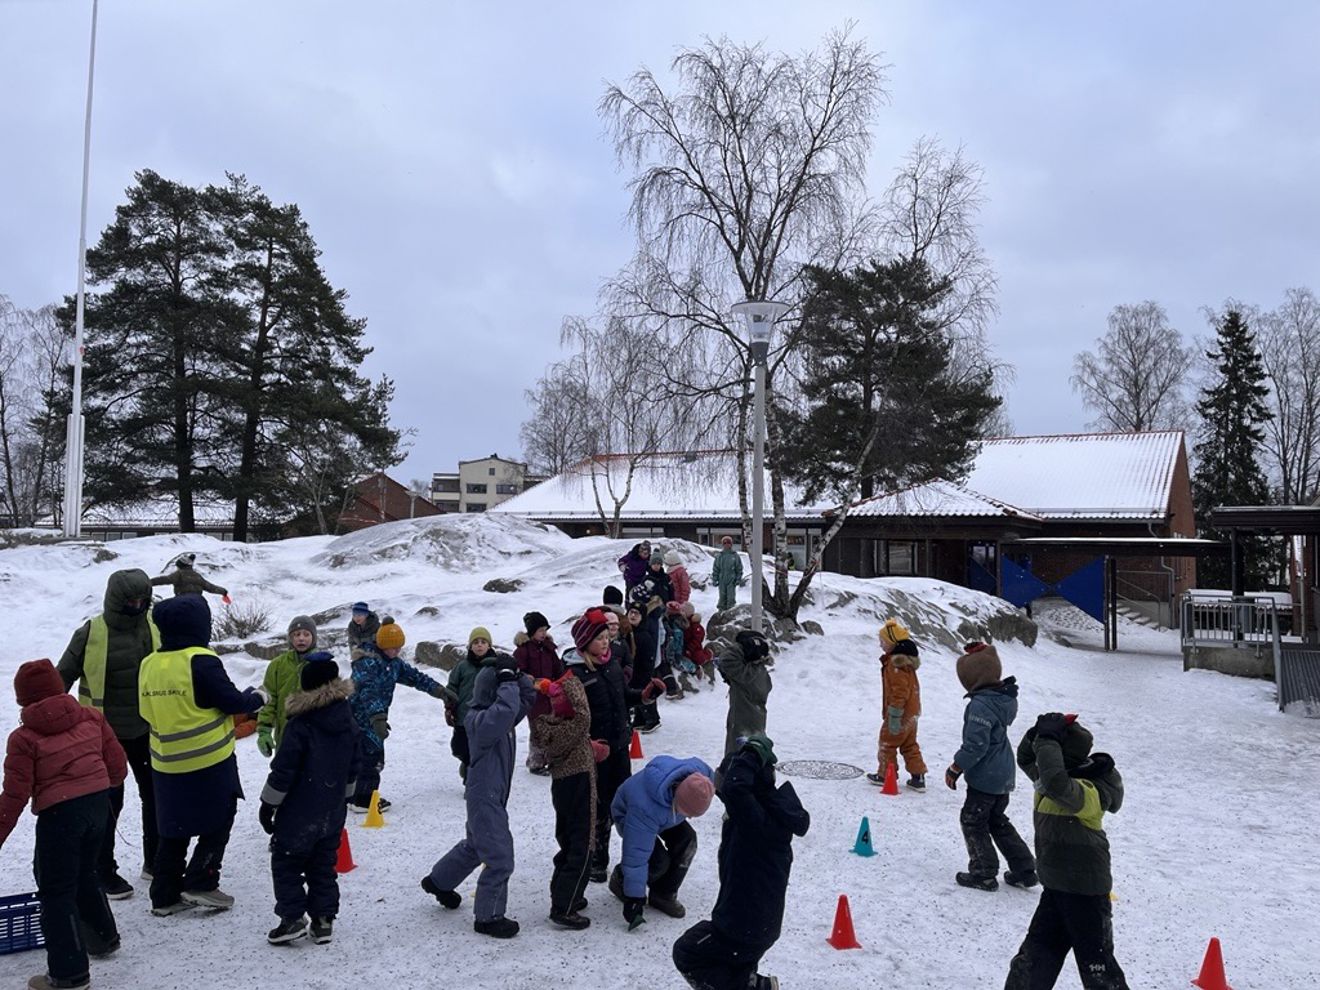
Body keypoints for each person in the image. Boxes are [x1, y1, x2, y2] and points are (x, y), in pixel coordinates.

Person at [0, 659, 126, 990]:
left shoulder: (24, 739)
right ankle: (104, 937)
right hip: (99, 806)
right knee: (85, 872)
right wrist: (99, 791)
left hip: (61, 817)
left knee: (56, 890)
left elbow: (15, 795)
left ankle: (69, 975)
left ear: (23, 699)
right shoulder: (92, 717)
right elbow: (118, 767)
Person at [137, 594, 265, 916]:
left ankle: (164, 896)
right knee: (219, 818)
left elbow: (145, 712)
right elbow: (231, 702)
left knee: (173, 827)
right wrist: (257, 698)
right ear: (200, 626)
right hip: (208, 760)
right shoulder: (201, 659)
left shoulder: (149, 664)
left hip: (165, 762)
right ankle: (202, 881)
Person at [672, 734, 809, 990]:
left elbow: (736, 788)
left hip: (742, 926)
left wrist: (751, 754)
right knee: (733, 969)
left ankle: (759, 987)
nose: (721, 789)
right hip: (756, 925)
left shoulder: (757, 821)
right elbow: (735, 790)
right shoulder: (767, 811)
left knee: (687, 952)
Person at [56, 568, 159, 900]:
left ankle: (155, 861)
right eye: (132, 600)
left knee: (156, 795)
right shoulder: (91, 633)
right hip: (103, 734)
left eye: (144, 599)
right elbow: (62, 677)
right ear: (117, 600)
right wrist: (51, 717)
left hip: (147, 727)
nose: (139, 605)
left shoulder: (153, 625)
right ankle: (104, 871)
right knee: (108, 803)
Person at [1005, 714, 1127, 989]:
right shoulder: (1050, 779)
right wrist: (1037, 733)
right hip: (1056, 888)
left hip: (1086, 894)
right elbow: (1025, 758)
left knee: (1099, 969)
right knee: (1035, 958)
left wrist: (1048, 739)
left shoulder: (1088, 792)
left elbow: (1056, 783)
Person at [422, 658, 538, 939]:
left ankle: (439, 881)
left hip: (491, 794)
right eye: (502, 687)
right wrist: (508, 682)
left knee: (476, 846)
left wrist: (517, 675)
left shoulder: (500, 716)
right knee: (499, 856)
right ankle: (488, 916)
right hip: (485, 797)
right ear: (493, 692)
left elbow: (526, 698)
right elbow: (508, 706)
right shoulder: (481, 721)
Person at [259, 658, 361, 947]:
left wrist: (268, 804)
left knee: (287, 861)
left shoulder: (300, 726)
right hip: (332, 811)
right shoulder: (347, 719)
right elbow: (354, 766)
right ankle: (323, 919)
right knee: (323, 864)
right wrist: (344, 797)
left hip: (299, 812)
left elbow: (284, 772)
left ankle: (292, 917)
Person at [564, 609, 654, 883]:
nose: (606, 642)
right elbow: (567, 718)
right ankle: (596, 859)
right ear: (585, 642)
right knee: (597, 807)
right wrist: (586, 743)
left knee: (623, 802)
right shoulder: (573, 674)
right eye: (600, 638)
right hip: (593, 752)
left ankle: (630, 856)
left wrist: (644, 696)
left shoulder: (612, 664)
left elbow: (623, 697)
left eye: (607, 636)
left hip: (618, 746)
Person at [944, 641, 1036, 892]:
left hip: (986, 776)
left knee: (973, 821)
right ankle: (1025, 869)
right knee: (997, 820)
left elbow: (975, 745)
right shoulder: (1003, 699)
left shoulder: (980, 706)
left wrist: (955, 767)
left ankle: (983, 872)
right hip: (1003, 772)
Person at [348, 620, 451, 813]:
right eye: (392, 648)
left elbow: (415, 677)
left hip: (376, 718)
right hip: (359, 718)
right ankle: (362, 800)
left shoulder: (393, 663)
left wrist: (439, 690)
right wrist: (377, 717)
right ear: (381, 645)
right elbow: (367, 691)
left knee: (372, 757)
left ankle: (356, 794)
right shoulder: (366, 662)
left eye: (398, 648)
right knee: (370, 758)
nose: (396, 651)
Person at [529, 672, 604, 930]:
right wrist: (570, 683)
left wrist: (590, 748)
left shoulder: (554, 725)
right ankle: (564, 906)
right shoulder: (573, 724)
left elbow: (575, 734)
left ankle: (566, 894)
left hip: (566, 783)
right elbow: (584, 717)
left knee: (570, 841)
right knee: (582, 845)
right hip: (577, 783)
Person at [609, 754, 716, 929]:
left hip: (667, 813)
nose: (689, 817)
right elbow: (636, 854)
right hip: (631, 816)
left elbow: (722, 782)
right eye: (686, 811)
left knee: (688, 841)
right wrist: (634, 898)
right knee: (658, 863)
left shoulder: (701, 778)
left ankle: (663, 894)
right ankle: (620, 879)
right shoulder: (644, 806)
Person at [256, 617, 331, 758]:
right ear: (290, 638)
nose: (301, 639)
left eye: (306, 634)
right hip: (285, 736)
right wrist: (264, 730)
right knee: (284, 776)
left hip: (315, 738)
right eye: (296, 634)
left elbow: (333, 704)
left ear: (313, 637)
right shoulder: (277, 665)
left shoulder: (324, 665)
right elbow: (269, 699)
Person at [866, 618, 927, 791]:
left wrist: (894, 713)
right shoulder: (906, 662)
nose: (881, 645)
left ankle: (885, 775)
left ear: (892, 643)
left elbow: (900, 691)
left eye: (883, 642)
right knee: (909, 744)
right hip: (912, 713)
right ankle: (918, 777)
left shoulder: (896, 664)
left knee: (887, 742)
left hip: (899, 713)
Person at [513, 610, 563, 775]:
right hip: (533, 697)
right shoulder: (523, 650)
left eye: (545, 630)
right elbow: (518, 671)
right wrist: (530, 681)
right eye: (540, 630)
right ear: (532, 631)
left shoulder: (549, 648)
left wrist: (560, 682)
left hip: (550, 694)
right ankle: (536, 762)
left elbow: (558, 668)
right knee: (537, 729)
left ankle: (551, 759)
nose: (543, 633)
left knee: (553, 728)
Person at [444, 627, 494, 782]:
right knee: (460, 748)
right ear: (470, 646)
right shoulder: (462, 666)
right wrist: (449, 706)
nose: (479, 645)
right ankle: (466, 764)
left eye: (483, 642)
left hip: (486, 716)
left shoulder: (494, 666)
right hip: (463, 716)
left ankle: (473, 780)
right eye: (476, 642)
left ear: (489, 646)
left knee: (481, 750)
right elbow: (452, 686)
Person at [718, 630, 773, 756]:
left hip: (742, 724)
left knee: (737, 756)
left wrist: (741, 646)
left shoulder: (746, 675)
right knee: (755, 754)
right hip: (757, 722)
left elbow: (725, 660)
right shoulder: (761, 673)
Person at [150, 553, 228, 599]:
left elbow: (165, 580)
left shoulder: (179, 574)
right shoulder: (197, 576)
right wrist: (223, 591)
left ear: (180, 566)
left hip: (182, 599)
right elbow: (211, 587)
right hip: (198, 600)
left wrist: (149, 582)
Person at [681, 604, 715, 686]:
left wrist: (690, 648)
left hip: (695, 648)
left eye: (683, 611)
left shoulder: (695, 626)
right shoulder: (684, 621)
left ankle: (708, 655)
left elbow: (697, 639)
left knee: (698, 657)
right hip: (686, 646)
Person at [711, 537, 743, 612]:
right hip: (722, 579)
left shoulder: (735, 556)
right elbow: (716, 569)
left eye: (728, 543)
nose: (726, 545)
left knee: (731, 597)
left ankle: (730, 612)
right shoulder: (720, 556)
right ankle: (721, 612)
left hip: (731, 579)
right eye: (724, 543)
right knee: (722, 596)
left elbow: (739, 568)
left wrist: (738, 579)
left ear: (731, 544)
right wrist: (715, 579)